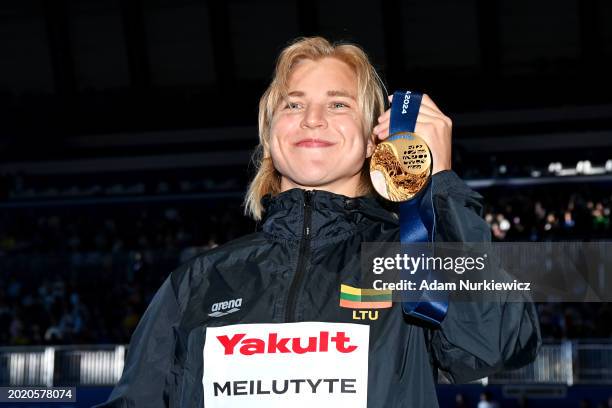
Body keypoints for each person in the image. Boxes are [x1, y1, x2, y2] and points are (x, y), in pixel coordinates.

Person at [97, 36, 541, 408]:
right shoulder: (197, 282)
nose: (312, 119)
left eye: (338, 104)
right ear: (271, 137)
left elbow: (493, 345)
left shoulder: (412, 260)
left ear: (374, 140)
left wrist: (440, 185)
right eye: (293, 105)